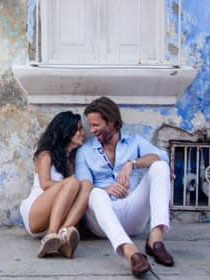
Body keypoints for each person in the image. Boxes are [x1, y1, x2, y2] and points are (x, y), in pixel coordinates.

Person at [75, 97, 175, 277]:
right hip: (102, 219)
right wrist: (107, 190)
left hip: (132, 213)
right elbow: (82, 187)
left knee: (161, 166)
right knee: (96, 193)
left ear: (112, 122)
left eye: (96, 125)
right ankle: (131, 253)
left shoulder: (134, 142)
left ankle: (156, 240)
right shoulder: (85, 151)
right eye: (90, 126)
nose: (92, 130)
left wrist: (132, 163)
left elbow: (163, 157)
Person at [20, 111, 93, 258]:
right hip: (37, 213)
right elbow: (45, 184)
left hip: (61, 216)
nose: (83, 133)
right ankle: (50, 235)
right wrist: (71, 185)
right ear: (67, 131)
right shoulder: (45, 155)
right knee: (74, 182)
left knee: (86, 185)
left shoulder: (73, 161)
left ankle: (63, 234)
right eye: (78, 129)